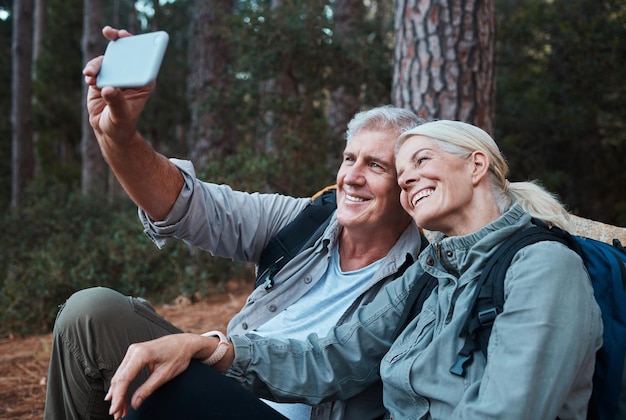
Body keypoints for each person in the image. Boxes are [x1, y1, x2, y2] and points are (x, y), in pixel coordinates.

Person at [43, 27, 427, 420]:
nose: (352, 177)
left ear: (408, 184)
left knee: (164, 388)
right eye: (350, 159)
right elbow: (187, 205)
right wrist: (119, 139)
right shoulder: (306, 221)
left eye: (376, 165)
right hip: (225, 381)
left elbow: (334, 364)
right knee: (89, 314)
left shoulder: (423, 277)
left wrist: (214, 350)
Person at [104, 119, 603, 420]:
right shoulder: (432, 270)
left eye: (419, 161)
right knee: (168, 388)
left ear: (475, 166)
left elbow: (511, 412)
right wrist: (214, 349)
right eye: (404, 175)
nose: (410, 181)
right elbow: (336, 357)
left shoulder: (542, 267)